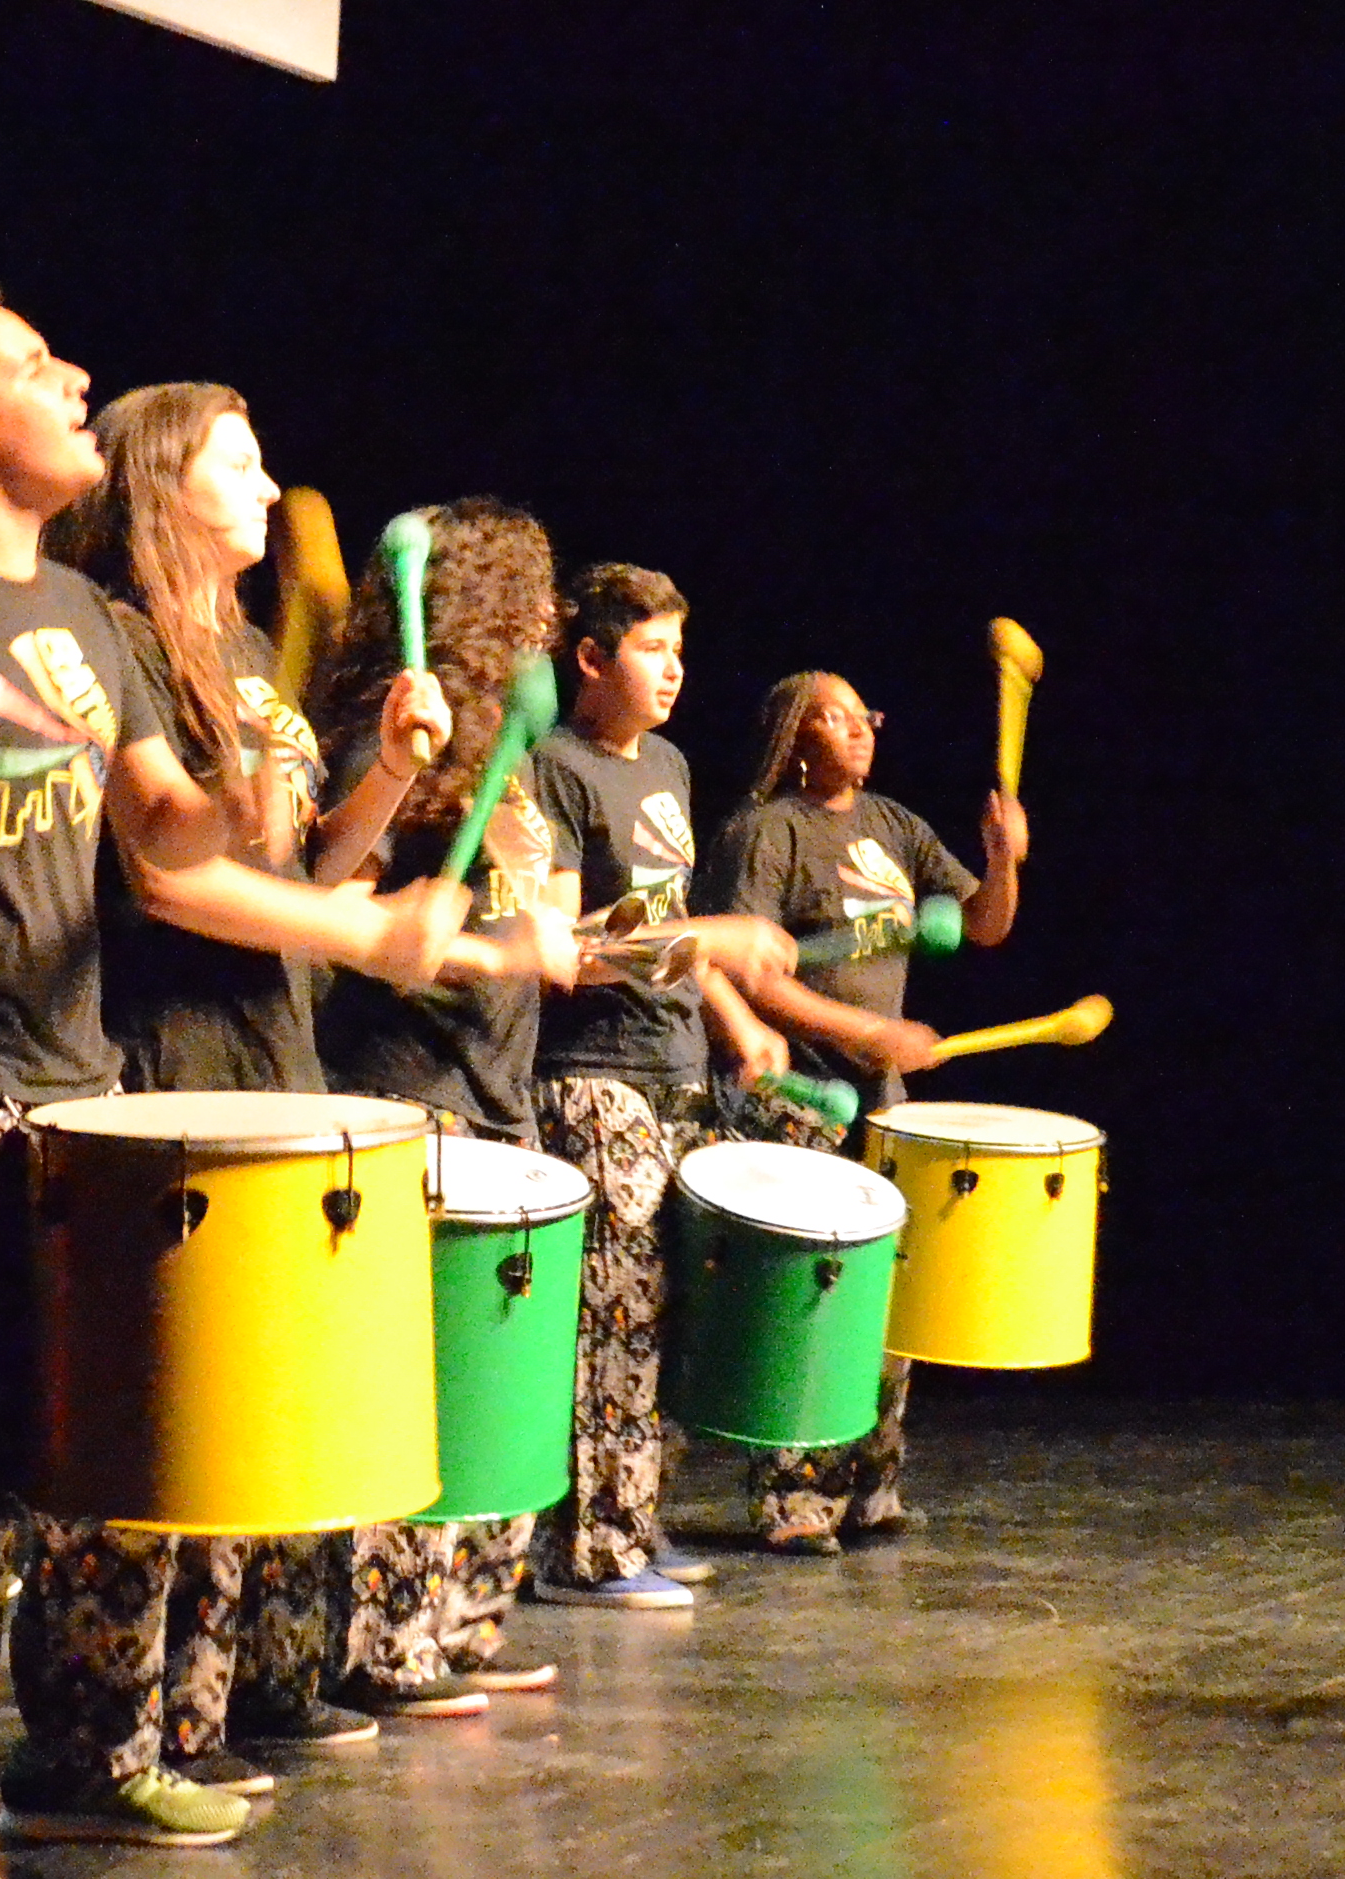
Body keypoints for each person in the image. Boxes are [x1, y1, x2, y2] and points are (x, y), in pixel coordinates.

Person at [0, 273, 479, 1879]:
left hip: (76, 1081)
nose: (77, 381)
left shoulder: (79, 623)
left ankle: (86, 1750)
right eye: (34, 370)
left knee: (90, 1432)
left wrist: (352, 904)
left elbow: (168, 850)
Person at [43, 382, 448, 1782]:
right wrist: (361, 928)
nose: (274, 492)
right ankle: (111, 1743)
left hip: (273, 1051)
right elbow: (170, 882)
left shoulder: (252, 656)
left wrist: (387, 777)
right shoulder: (119, 640)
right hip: (169, 1063)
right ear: (166, 487)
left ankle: (212, 1716)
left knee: (257, 1410)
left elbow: (306, 866)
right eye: (246, 465)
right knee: (169, 1422)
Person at [305, 499, 578, 1718]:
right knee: (407, 1386)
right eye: (532, 598)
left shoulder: (523, 771)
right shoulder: (392, 734)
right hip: (404, 1087)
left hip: (498, 1091)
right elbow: (332, 915)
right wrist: (477, 946)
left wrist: (616, 949)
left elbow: (535, 929)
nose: (553, 621)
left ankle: (460, 1625)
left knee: (480, 1384)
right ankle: (380, 1642)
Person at [706, 669, 1027, 1551]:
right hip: (797, 1099)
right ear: (793, 737)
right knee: (813, 1300)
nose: (859, 730)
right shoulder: (766, 832)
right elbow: (745, 971)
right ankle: (796, 1500)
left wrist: (1003, 857)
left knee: (887, 1301)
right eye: (836, 717)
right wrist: (863, 1032)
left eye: (866, 715)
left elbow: (986, 926)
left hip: (880, 1103)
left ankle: (870, 1486)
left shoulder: (895, 827)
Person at [524, 562, 787, 1607]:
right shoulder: (555, 769)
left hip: (674, 1073)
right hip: (592, 1074)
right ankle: (590, 1548)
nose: (675, 671)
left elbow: (672, 926)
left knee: (663, 1315)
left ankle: (636, 1520)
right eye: (652, 650)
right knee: (611, 1319)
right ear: (591, 658)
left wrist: (736, 1016)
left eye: (682, 651)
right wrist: (710, 935)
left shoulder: (669, 766)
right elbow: (573, 946)